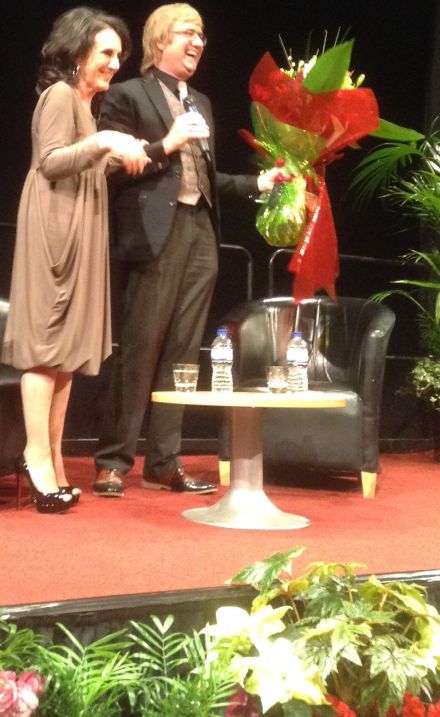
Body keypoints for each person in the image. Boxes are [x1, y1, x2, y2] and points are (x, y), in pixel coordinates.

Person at [93, 3, 278, 497]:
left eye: (201, 36)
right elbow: (110, 167)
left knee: (183, 352)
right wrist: (168, 143)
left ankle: (163, 461)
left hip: (201, 232)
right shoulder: (127, 94)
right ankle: (113, 461)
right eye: (187, 33)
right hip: (156, 231)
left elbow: (205, 178)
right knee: (140, 348)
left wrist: (259, 183)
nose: (198, 42)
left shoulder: (201, 102)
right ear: (160, 40)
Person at [1, 7, 149, 514]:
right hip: (54, 230)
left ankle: (53, 459)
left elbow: (84, 165)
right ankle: (36, 457)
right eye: (106, 52)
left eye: (119, 55)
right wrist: (105, 141)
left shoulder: (86, 106)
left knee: (64, 355)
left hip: (79, 227)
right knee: (46, 349)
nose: (115, 63)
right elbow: (50, 161)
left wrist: (117, 152)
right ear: (78, 52)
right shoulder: (60, 96)